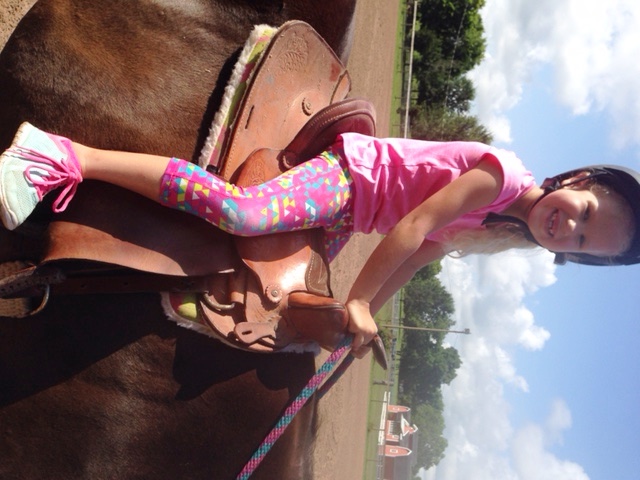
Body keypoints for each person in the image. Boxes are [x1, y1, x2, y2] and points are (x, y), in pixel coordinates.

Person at [1, 122, 639, 355]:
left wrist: (365, 318)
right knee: (243, 215)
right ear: (578, 180)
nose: (570, 226)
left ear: (570, 256)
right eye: (584, 211)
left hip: (350, 219)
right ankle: (67, 154)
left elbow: (422, 255)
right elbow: (415, 225)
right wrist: (357, 299)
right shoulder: (503, 178)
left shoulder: (496, 230)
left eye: (583, 241)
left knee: (281, 310)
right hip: (350, 178)